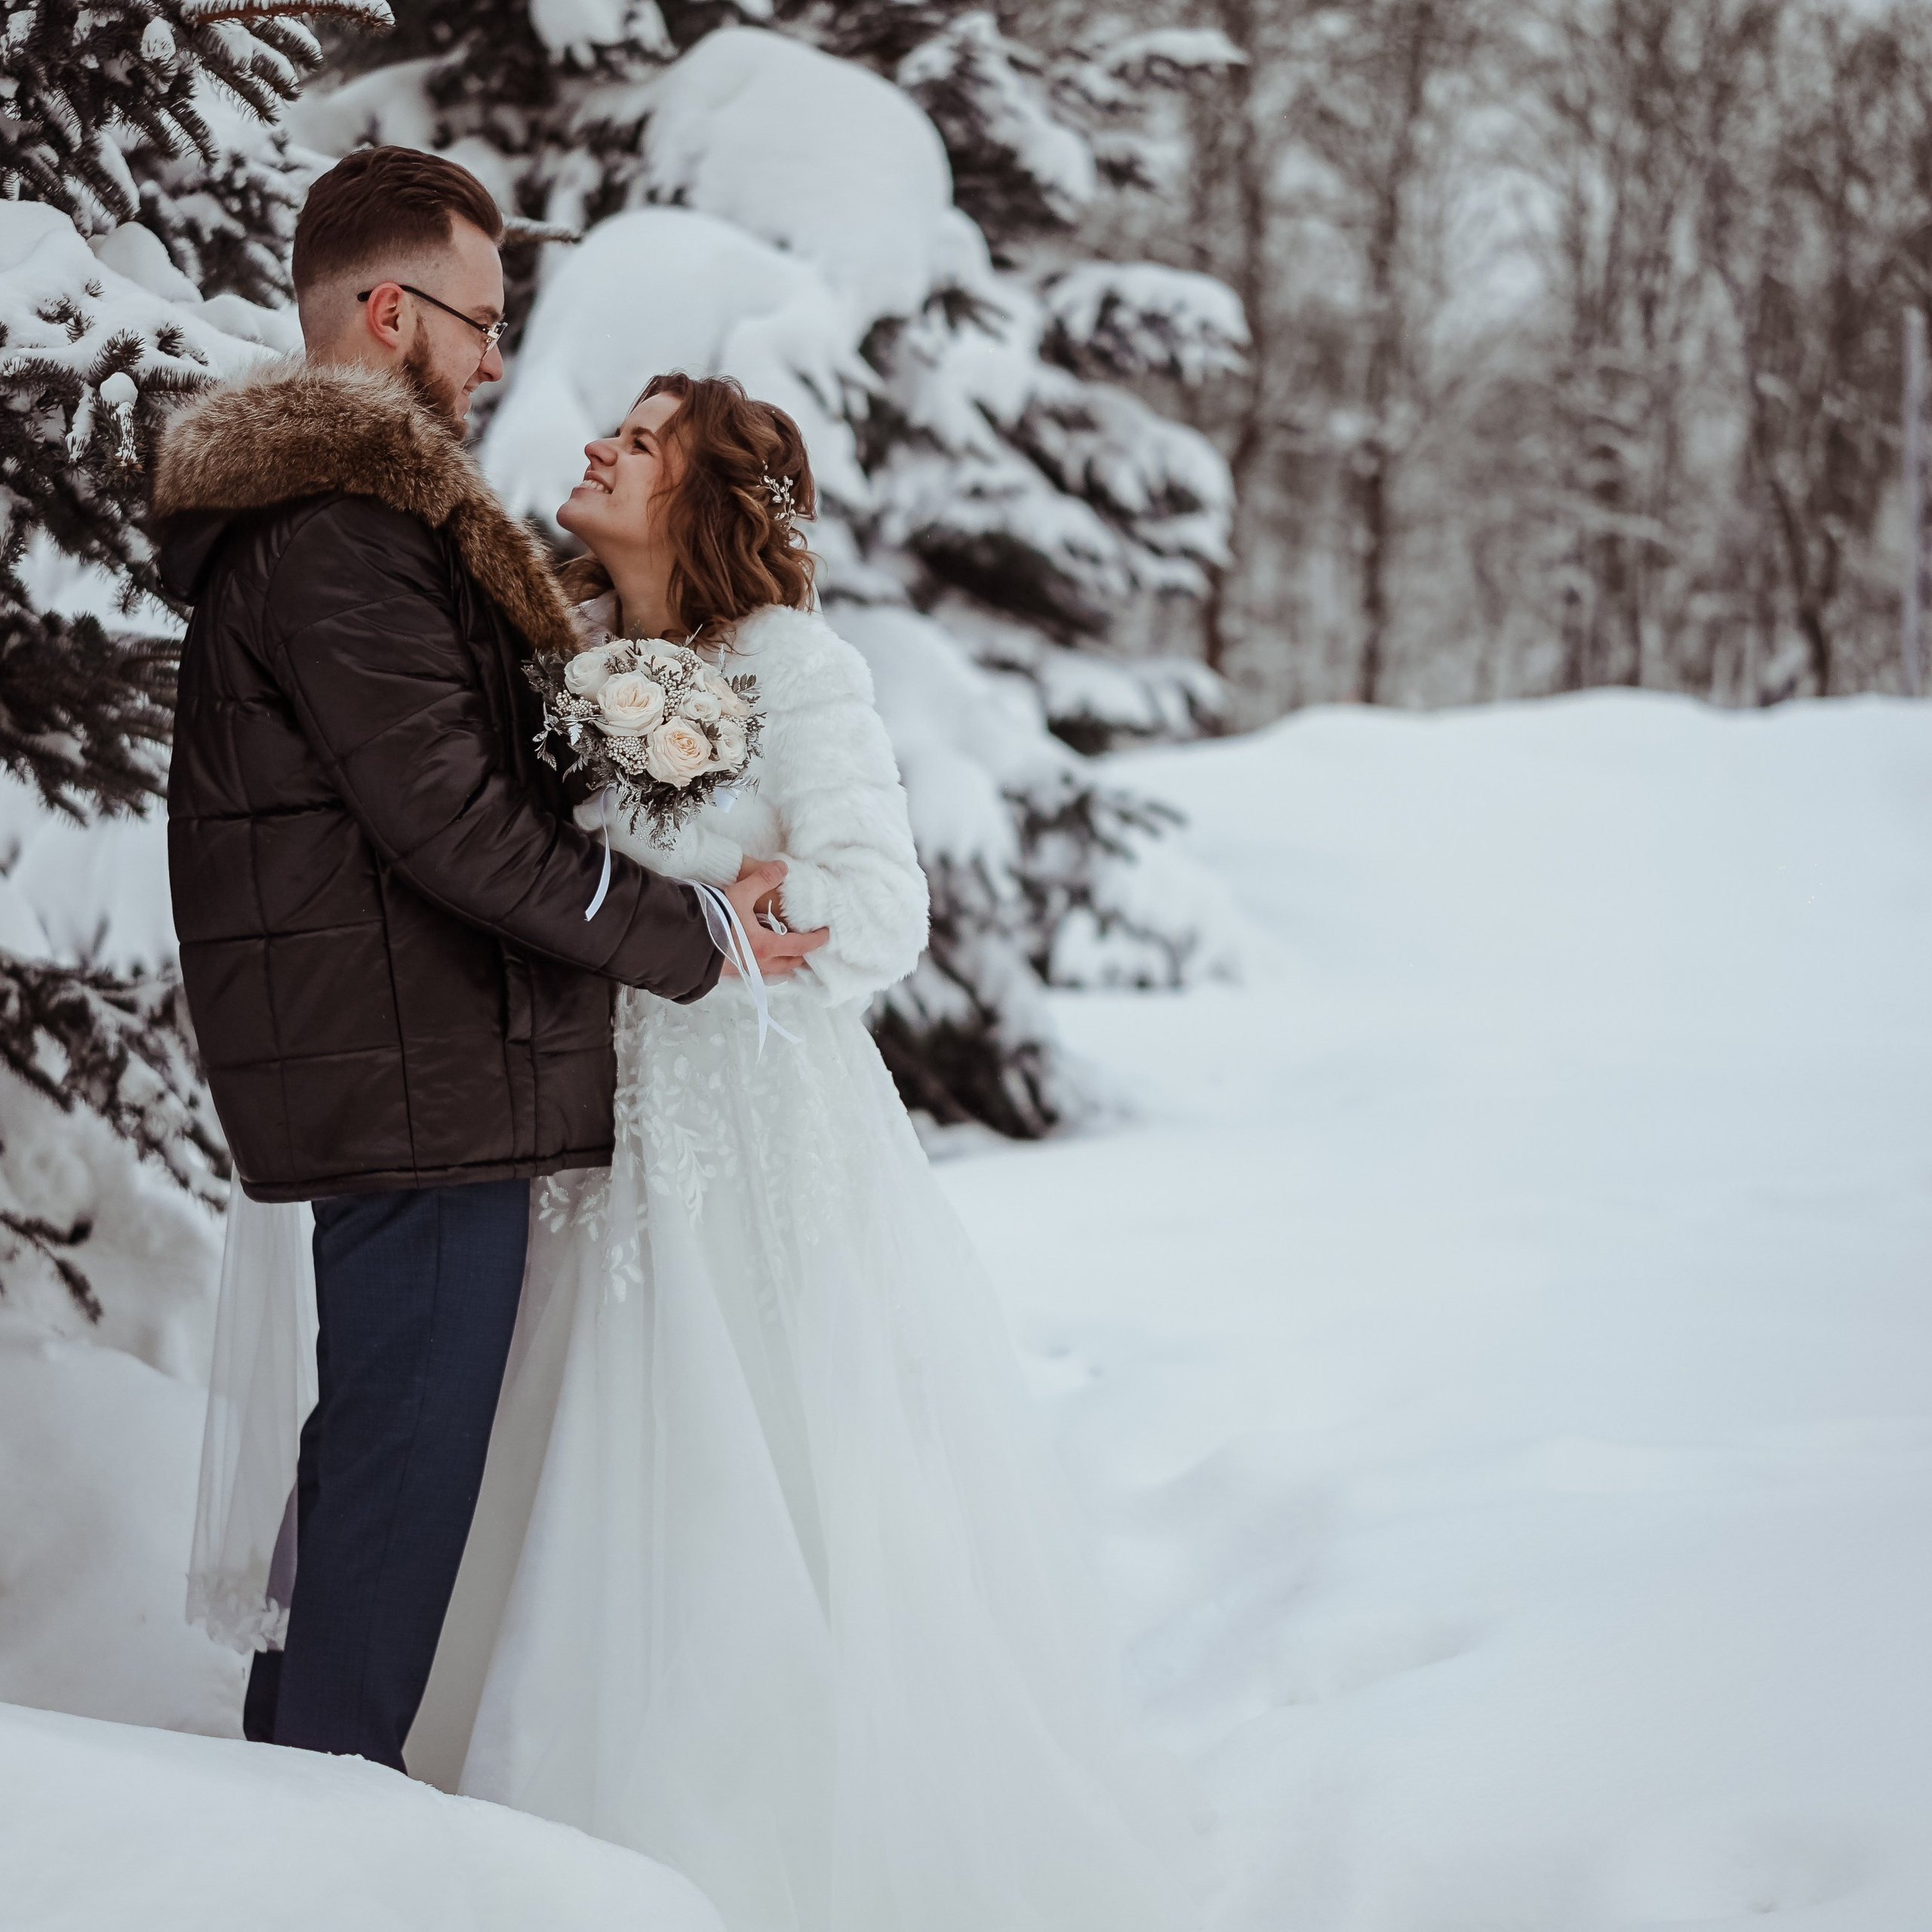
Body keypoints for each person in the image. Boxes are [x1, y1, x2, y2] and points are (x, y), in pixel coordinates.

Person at [404, 374, 1197, 1932]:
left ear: (699, 498)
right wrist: (698, 874)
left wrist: (692, 879)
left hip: (753, 1130)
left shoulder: (793, 663)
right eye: (608, 428)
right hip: (593, 1117)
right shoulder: (561, 657)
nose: (595, 449)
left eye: (636, 441)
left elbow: (876, 910)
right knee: (575, 1464)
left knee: (757, 1461)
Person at [156, 147, 823, 1771]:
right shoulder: (342, 532)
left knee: (375, 1480)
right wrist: (696, 932)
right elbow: (449, 822)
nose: (495, 360)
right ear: (390, 312)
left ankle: (267, 1814)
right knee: (393, 1500)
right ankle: (312, 1839)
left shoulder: (347, 524)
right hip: (417, 1074)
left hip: (411, 1063)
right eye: (477, 319)